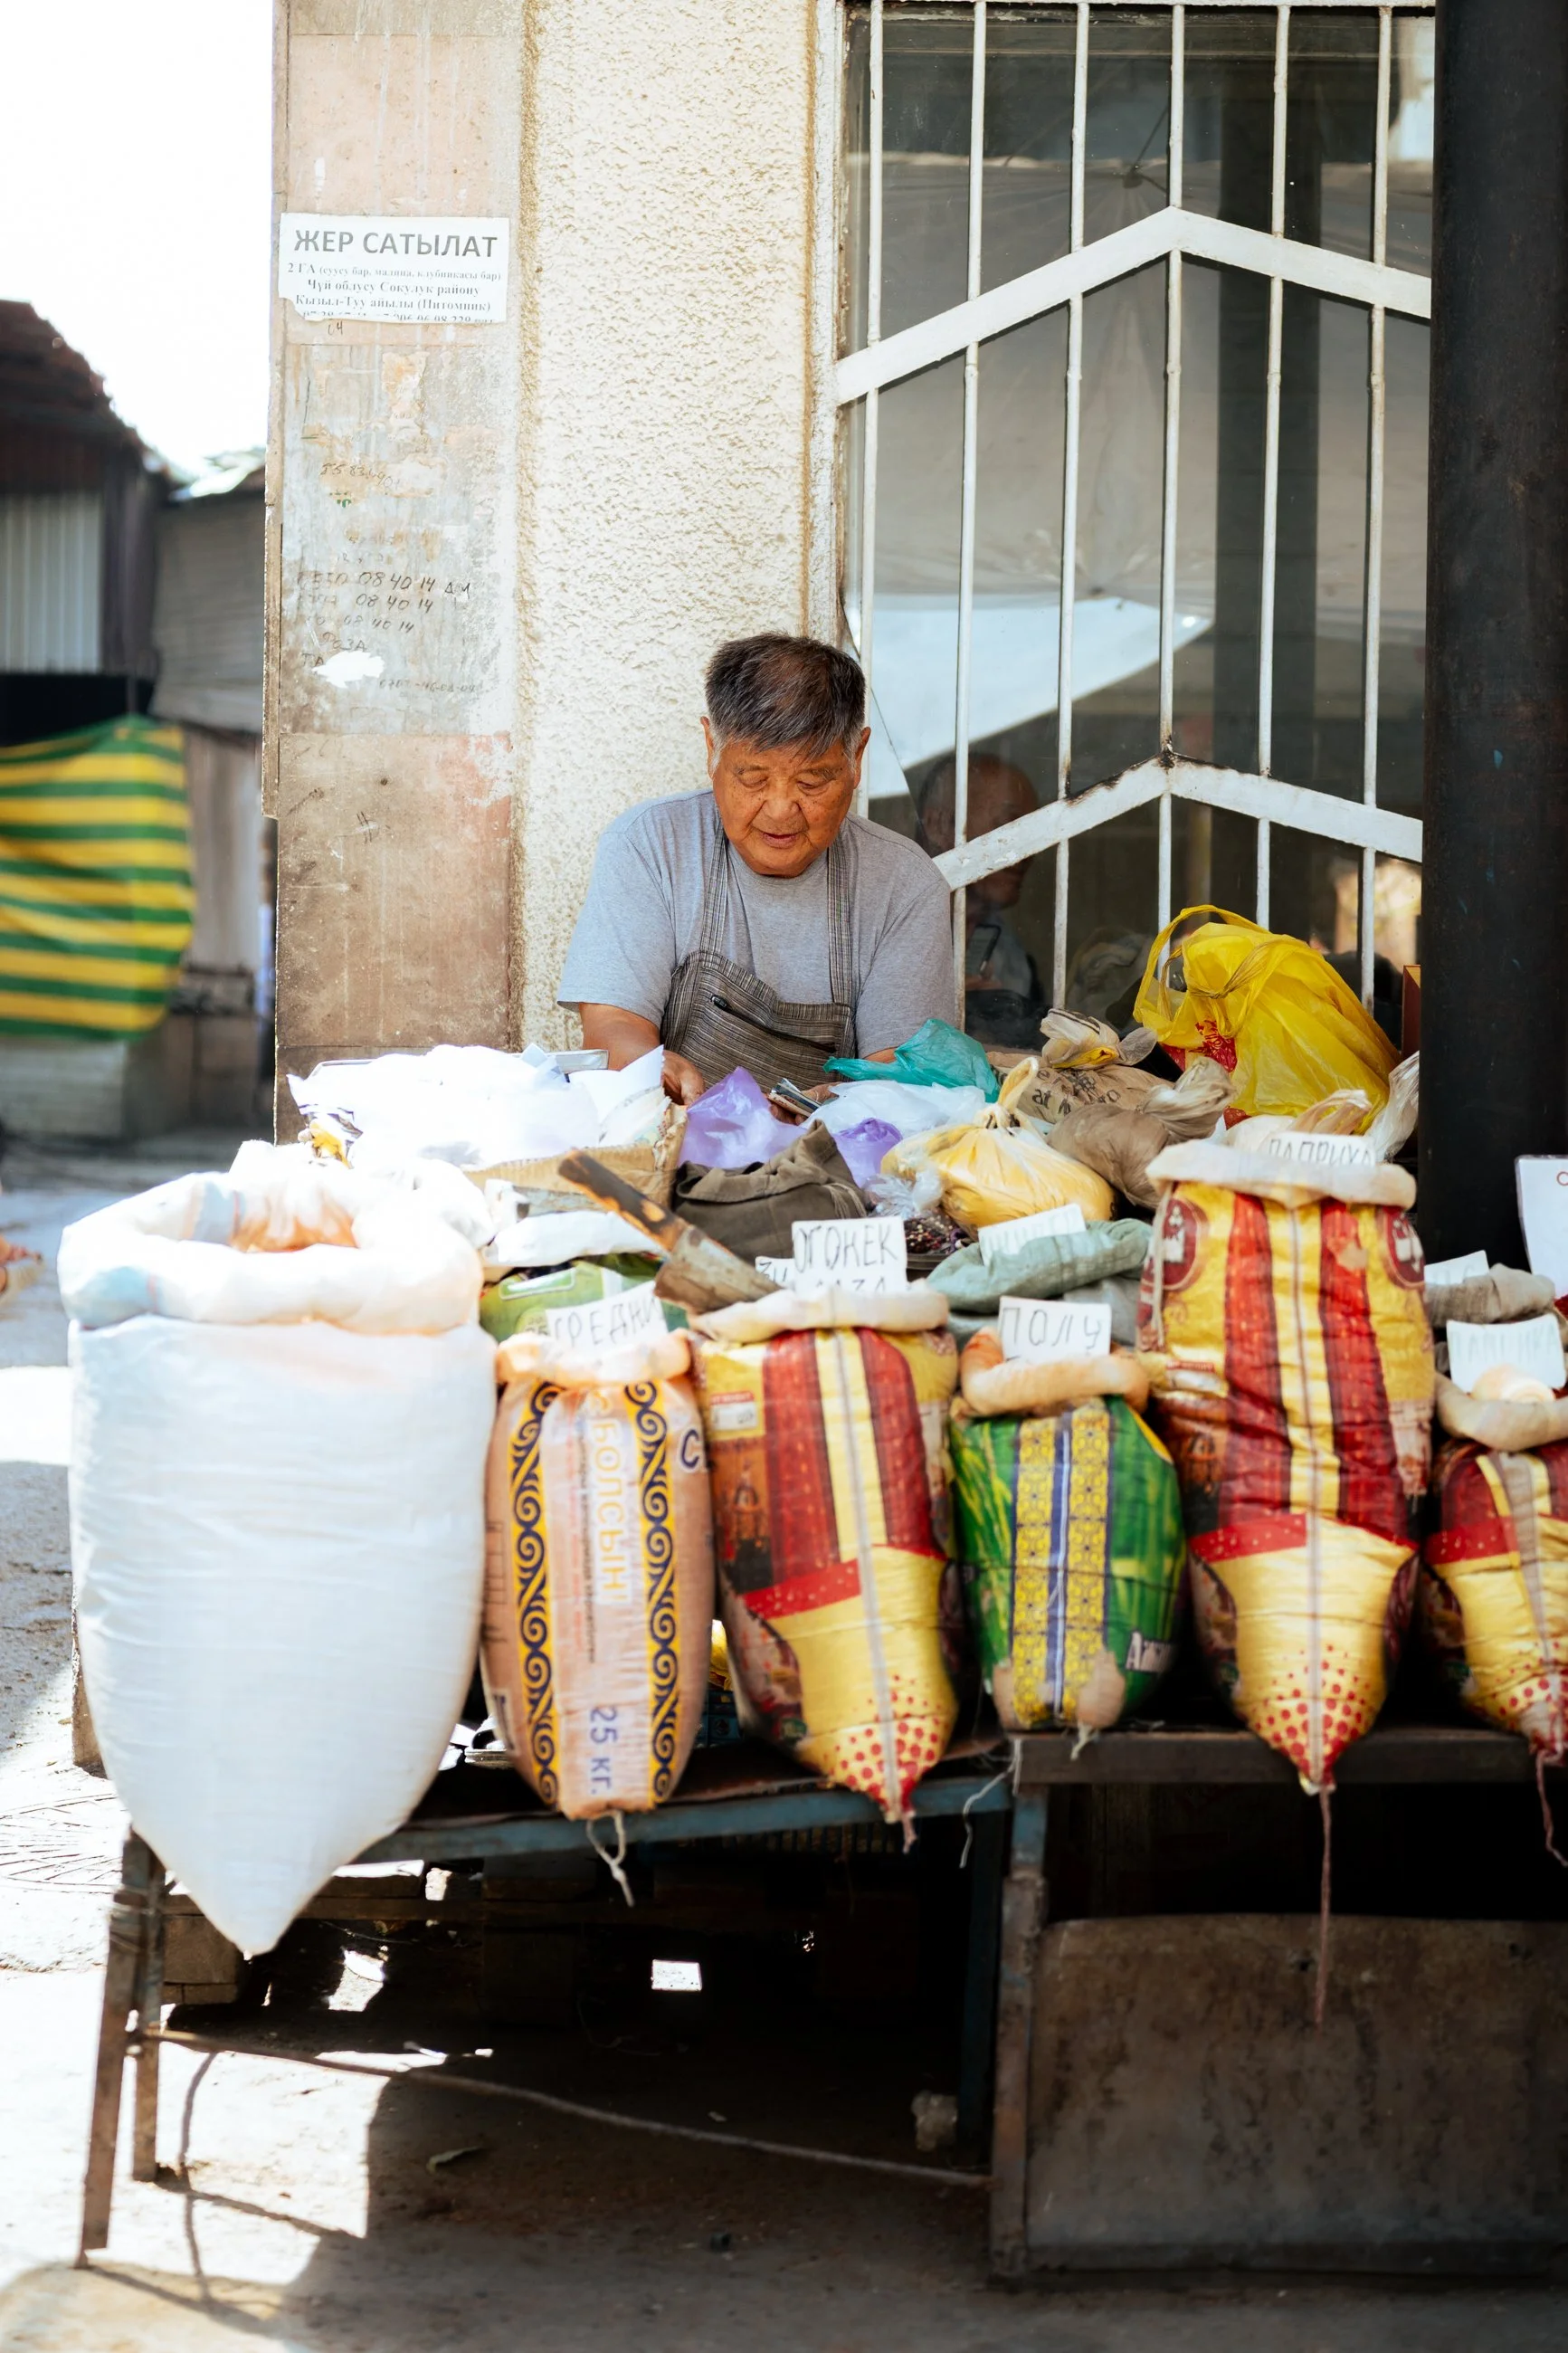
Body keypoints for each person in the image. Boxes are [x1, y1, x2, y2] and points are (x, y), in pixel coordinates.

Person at [559, 634, 955, 1102]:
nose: (781, 809)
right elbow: (612, 1025)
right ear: (712, 748)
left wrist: (814, 1111)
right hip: (673, 1138)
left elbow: (900, 1074)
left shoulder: (904, 884)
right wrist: (648, 1069)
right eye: (753, 778)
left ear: (857, 760)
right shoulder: (649, 846)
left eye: (812, 780)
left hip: (832, 1152)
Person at [913, 753, 1045, 1047]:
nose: (1027, 850)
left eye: (1036, 833)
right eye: (1010, 826)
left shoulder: (1012, 958)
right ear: (940, 824)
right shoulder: (881, 933)